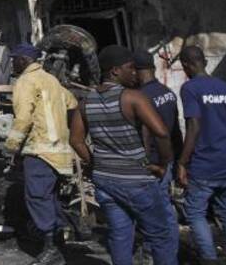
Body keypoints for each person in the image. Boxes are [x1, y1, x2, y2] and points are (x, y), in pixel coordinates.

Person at [69, 45, 175, 265]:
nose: (136, 73)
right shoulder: (134, 98)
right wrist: (164, 164)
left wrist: (94, 162)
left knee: (120, 235)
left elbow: (76, 141)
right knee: (161, 235)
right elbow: (162, 132)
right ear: (115, 71)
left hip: (105, 181)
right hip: (136, 181)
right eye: (131, 68)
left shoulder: (86, 102)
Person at [4, 43, 77, 265]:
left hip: (40, 150)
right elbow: (72, 103)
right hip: (59, 151)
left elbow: (24, 118)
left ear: (24, 60)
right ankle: (59, 241)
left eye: (14, 59)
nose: (12, 63)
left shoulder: (25, 81)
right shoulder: (51, 80)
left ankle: (52, 250)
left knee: (37, 197)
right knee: (49, 197)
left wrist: (11, 146)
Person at [177, 45, 226, 265]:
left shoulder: (190, 89)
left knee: (196, 213)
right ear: (204, 61)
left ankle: (209, 259)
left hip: (204, 165)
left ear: (185, 64)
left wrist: (182, 162)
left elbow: (194, 126)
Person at [134, 50, 183, 256]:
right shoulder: (167, 92)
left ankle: (158, 251)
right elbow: (176, 131)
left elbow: (147, 133)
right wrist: (179, 160)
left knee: (154, 211)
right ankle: (170, 249)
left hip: (153, 162)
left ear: (135, 72)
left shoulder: (140, 98)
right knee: (165, 206)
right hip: (168, 159)